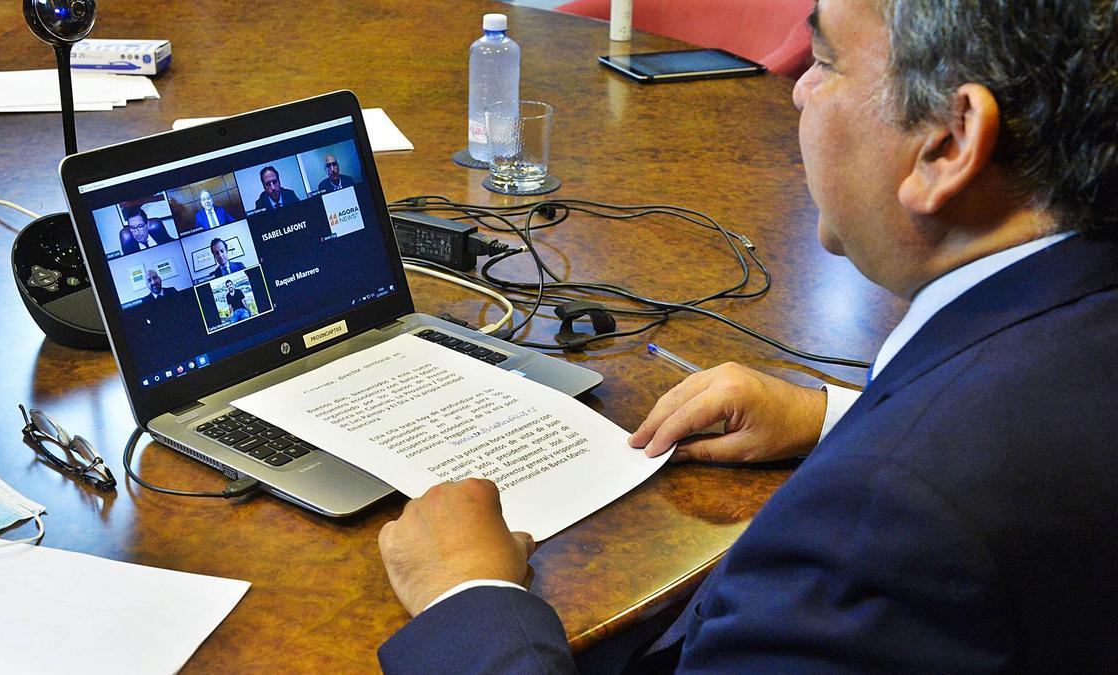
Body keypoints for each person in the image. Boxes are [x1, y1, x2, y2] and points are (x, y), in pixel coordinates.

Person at [376, 0, 1118, 672]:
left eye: (825, 64)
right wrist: (832, 417)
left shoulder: (888, 522)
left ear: (950, 144)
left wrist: (467, 600)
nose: (797, 88)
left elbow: (937, 489)